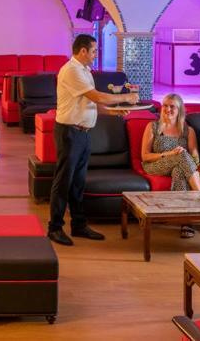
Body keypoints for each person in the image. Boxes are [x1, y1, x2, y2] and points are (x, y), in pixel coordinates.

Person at [48, 34, 139, 246]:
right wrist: (126, 97)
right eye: (94, 50)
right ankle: (54, 228)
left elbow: (91, 103)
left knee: (78, 182)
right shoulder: (71, 70)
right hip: (69, 133)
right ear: (83, 51)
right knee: (63, 181)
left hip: (83, 133)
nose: (96, 54)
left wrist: (112, 112)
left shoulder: (85, 70)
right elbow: (97, 96)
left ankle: (79, 225)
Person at [140, 93, 200, 238]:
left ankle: (186, 222)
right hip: (155, 165)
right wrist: (169, 154)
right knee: (180, 155)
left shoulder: (188, 130)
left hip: (180, 165)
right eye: (165, 106)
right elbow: (145, 156)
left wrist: (183, 157)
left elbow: (195, 157)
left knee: (179, 172)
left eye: (172, 106)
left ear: (180, 110)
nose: (168, 109)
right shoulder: (153, 127)